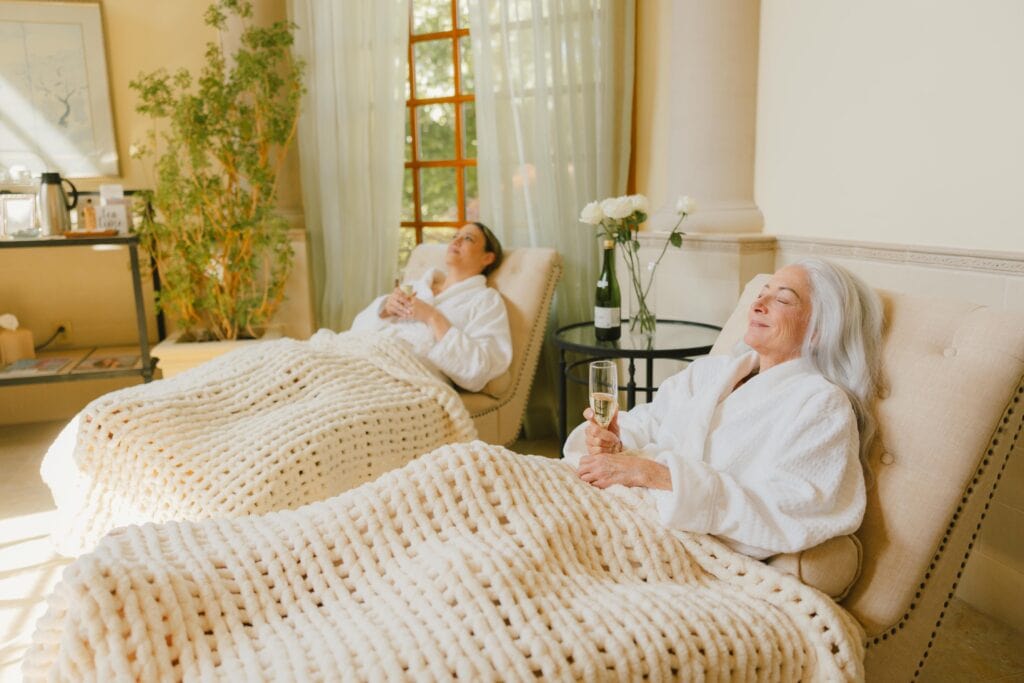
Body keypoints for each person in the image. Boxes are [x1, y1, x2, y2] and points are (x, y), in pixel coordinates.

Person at [563, 259, 884, 559]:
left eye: (783, 300)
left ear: (818, 331)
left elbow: (790, 507)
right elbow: (649, 418)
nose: (758, 305)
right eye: (761, 295)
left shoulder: (821, 405)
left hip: (669, 536)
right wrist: (615, 440)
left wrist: (653, 475)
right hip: (618, 496)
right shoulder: (715, 371)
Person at [351, 222, 512, 393]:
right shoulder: (417, 287)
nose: (456, 241)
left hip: (408, 376)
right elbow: (355, 331)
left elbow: (477, 371)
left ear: (487, 258)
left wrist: (432, 317)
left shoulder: (486, 300)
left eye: (467, 238)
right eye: (454, 236)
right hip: (365, 355)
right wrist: (385, 311)